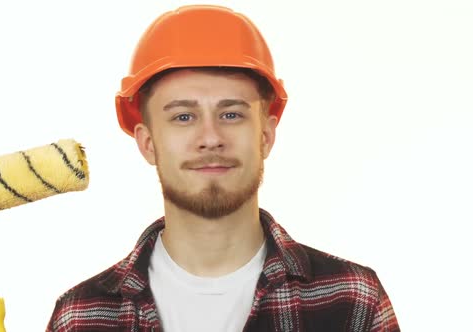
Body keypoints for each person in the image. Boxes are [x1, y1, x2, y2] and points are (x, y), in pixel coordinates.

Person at [46, 5, 399, 332]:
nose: (210, 138)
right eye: (183, 117)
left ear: (265, 135)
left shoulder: (353, 299)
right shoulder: (80, 316)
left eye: (231, 114)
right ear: (148, 143)